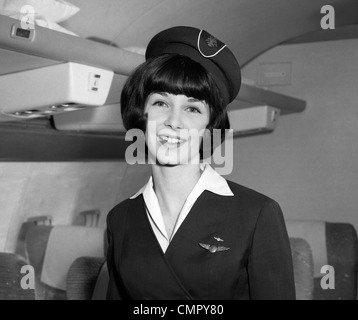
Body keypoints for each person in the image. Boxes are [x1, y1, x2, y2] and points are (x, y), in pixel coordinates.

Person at [106, 26, 296, 300]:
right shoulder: (120, 218)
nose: (174, 121)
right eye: (161, 103)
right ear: (141, 115)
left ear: (210, 126)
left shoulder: (257, 214)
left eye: (193, 109)